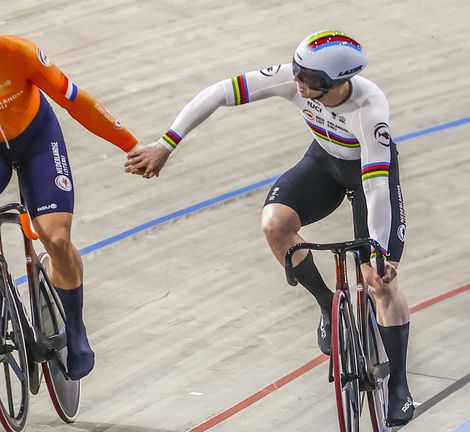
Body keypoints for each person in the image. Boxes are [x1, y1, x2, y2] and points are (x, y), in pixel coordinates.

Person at [125, 31, 414, 425]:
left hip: (367, 175)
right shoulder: (295, 80)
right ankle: (328, 308)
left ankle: (399, 386)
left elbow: (376, 185)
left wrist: (378, 252)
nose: (293, 78)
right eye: (295, 68)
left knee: (379, 281)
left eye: (303, 75)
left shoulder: (369, 106)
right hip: (324, 163)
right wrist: (166, 143)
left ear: (332, 82)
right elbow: (219, 93)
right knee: (275, 224)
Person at [0, 5, 140, 381]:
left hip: (38, 138)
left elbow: (75, 99)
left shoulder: (17, 52)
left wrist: (129, 144)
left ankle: (74, 328)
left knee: (55, 237)